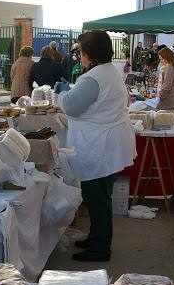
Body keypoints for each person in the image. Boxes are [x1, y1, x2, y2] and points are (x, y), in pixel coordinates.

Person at [57, 30, 135, 262]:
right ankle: (96, 238)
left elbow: (71, 107)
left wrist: (62, 94)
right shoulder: (109, 72)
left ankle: (101, 248)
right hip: (107, 142)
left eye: (81, 52)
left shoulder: (93, 77)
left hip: (99, 145)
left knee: (97, 197)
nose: (80, 56)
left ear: (89, 54)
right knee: (101, 195)